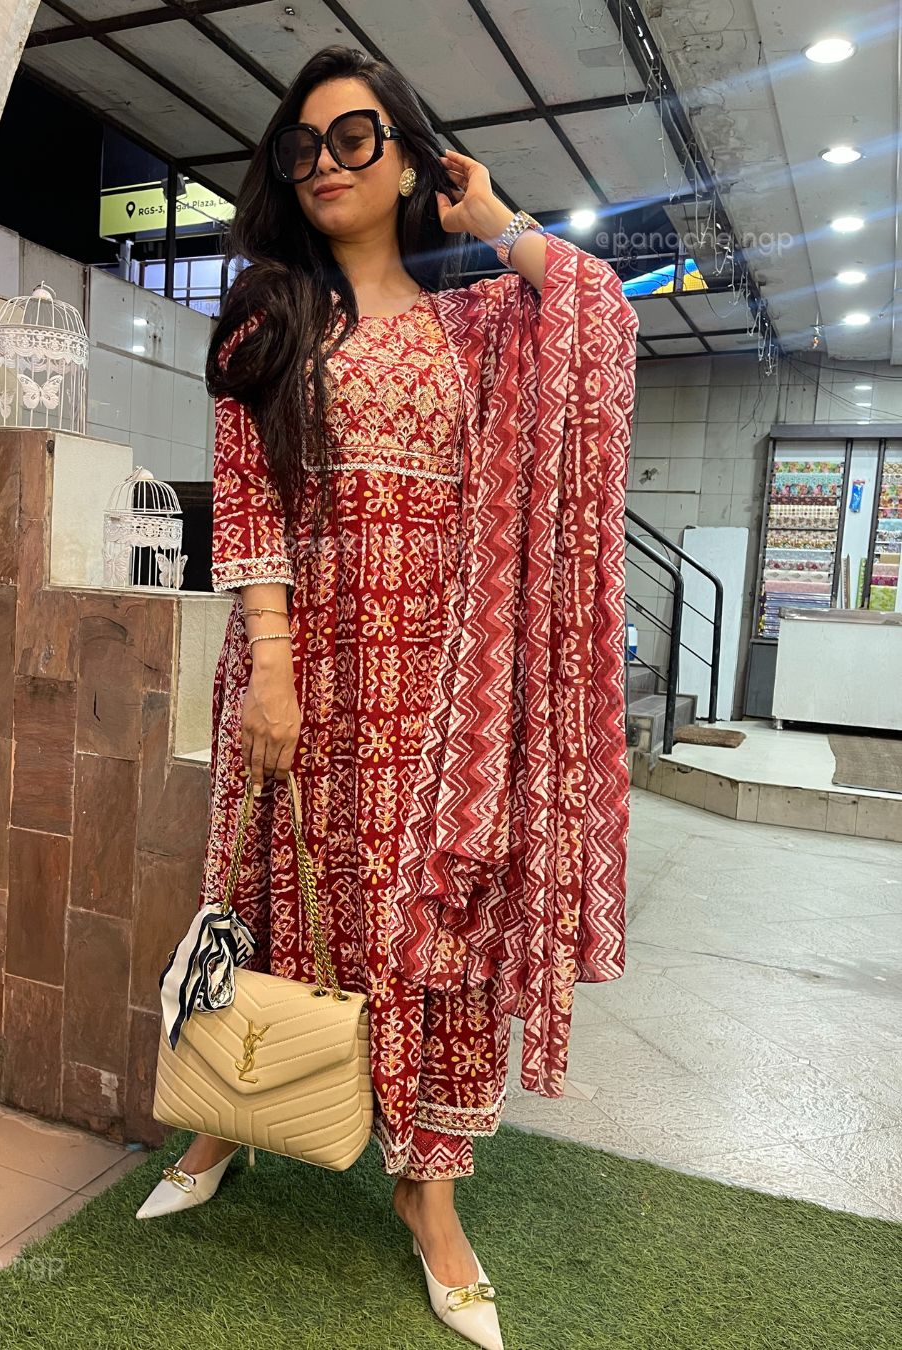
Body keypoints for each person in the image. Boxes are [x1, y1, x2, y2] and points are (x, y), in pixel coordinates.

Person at [137, 44, 635, 1350]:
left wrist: (497, 218)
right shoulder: (270, 316)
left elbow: (599, 315)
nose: (326, 165)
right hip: (301, 661)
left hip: (437, 694)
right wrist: (274, 665)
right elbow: (246, 496)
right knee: (269, 884)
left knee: (427, 926)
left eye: (356, 138)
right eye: (302, 147)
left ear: (409, 158)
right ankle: (231, 1111)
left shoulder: (476, 324)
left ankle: (429, 1191)